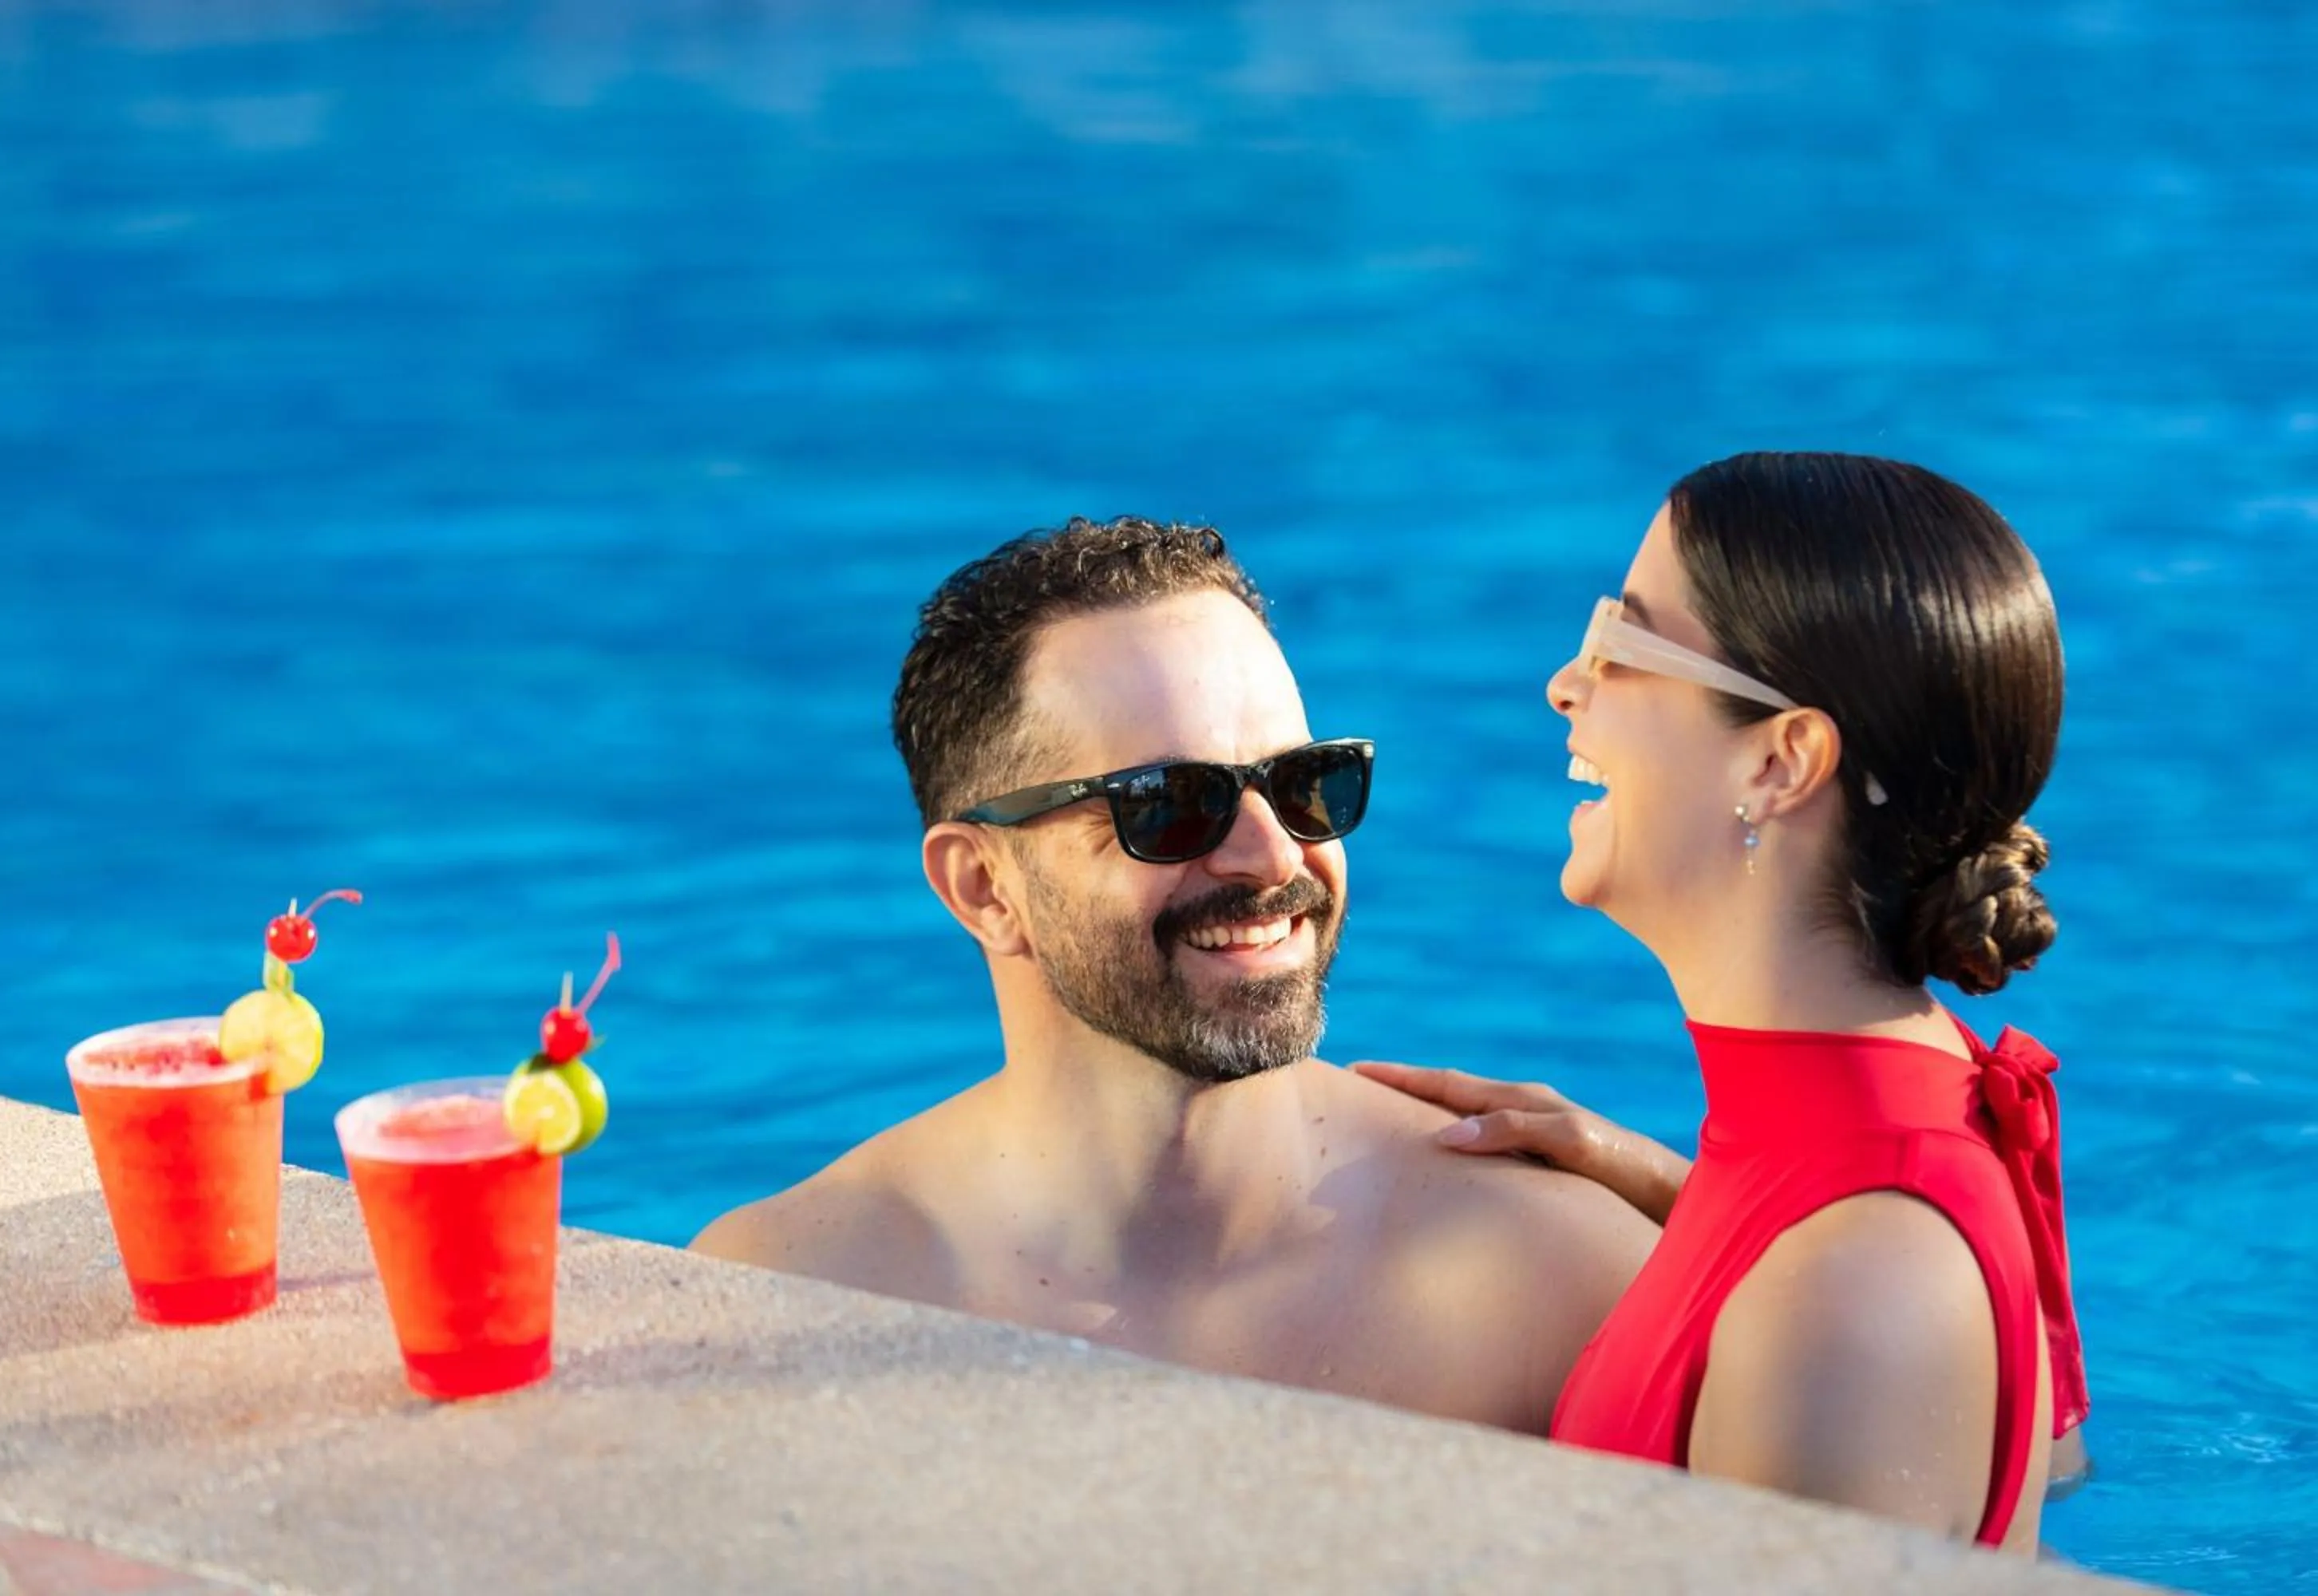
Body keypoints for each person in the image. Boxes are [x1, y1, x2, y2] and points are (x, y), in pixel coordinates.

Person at [694, 516, 1655, 1433]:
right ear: (984, 886)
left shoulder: (1544, 1272)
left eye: (1303, 783)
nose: (1274, 857)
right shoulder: (798, 1299)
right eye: (1171, 805)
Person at [1360, 452, 2087, 1550]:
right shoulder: (1882, 1142)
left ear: (1781, 763)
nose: (1567, 683)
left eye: (1623, 645)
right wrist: (1692, 1199)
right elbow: (2048, 1458)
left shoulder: (1851, 1289)